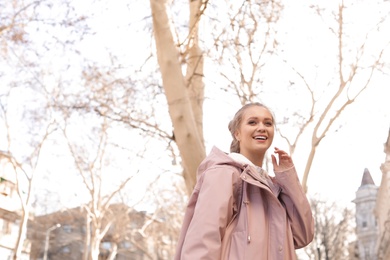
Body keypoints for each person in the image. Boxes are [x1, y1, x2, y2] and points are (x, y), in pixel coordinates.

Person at [174, 102, 314, 260]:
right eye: (252, 122)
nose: (262, 127)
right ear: (237, 133)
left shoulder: (274, 188)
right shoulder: (224, 173)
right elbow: (203, 240)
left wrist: (287, 178)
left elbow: (303, 235)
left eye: (268, 123)